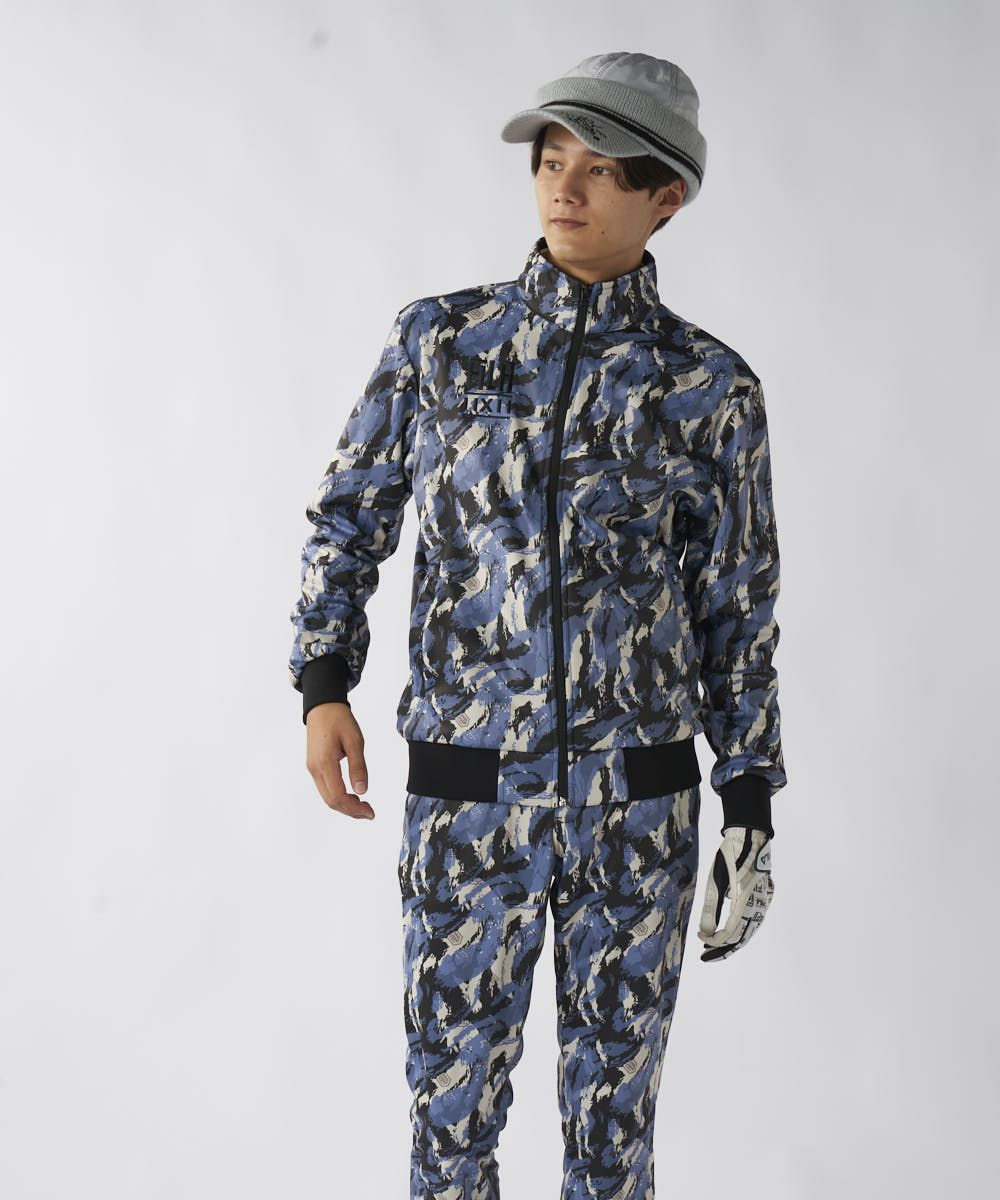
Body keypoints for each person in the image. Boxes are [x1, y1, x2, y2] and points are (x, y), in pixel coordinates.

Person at [289, 50, 787, 1200]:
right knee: (449, 1134)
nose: (564, 183)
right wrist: (322, 684)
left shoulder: (710, 389)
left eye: (602, 168)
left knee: (613, 1143)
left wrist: (750, 798)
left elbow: (738, 603)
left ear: (666, 197)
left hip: (639, 816)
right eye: (551, 157)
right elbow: (349, 517)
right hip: (468, 802)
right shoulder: (441, 343)